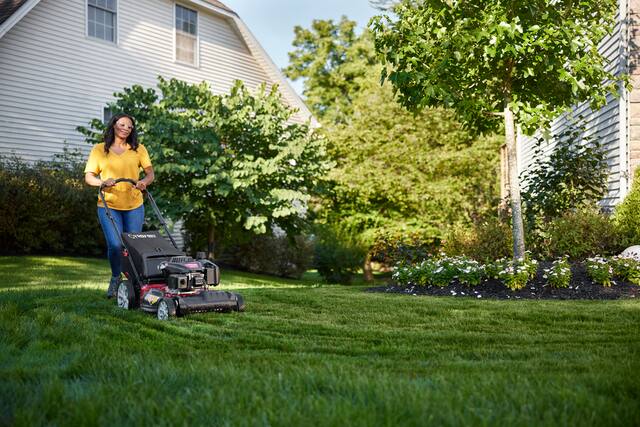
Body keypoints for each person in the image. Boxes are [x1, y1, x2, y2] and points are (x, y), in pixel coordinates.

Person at [84, 113, 154, 298]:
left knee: (132, 247)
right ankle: (116, 278)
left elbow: (150, 174)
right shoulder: (100, 149)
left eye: (129, 126)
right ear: (114, 125)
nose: (125, 128)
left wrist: (143, 182)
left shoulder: (139, 149)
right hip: (109, 205)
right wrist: (102, 182)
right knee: (115, 245)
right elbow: (89, 177)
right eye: (122, 124)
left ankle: (132, 282)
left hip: (134, 205)